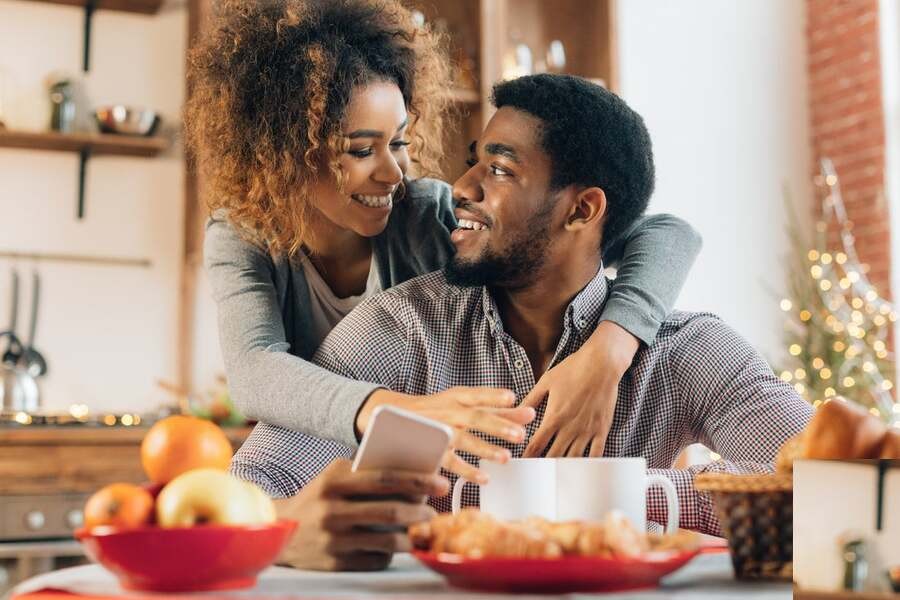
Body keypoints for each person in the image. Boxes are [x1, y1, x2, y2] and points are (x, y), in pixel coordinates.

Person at [233, 74, 814, 562]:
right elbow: (249, 489)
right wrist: (286, 529)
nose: (461, 189)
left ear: (582, 209)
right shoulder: (402, 328)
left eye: (502, 171)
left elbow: (827, 483)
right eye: (473, 164)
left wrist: (608, 498)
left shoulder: (686, 350)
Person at [188, 0, 703, 489]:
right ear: (283, 154)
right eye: (363, 149)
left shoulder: (426, 211)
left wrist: (611, 348)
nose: (394, 173)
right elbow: (255, 373)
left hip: (432, 471)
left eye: (400, 142)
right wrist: (395, 409)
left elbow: (664, 233)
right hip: (318, 462)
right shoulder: (243, 236)